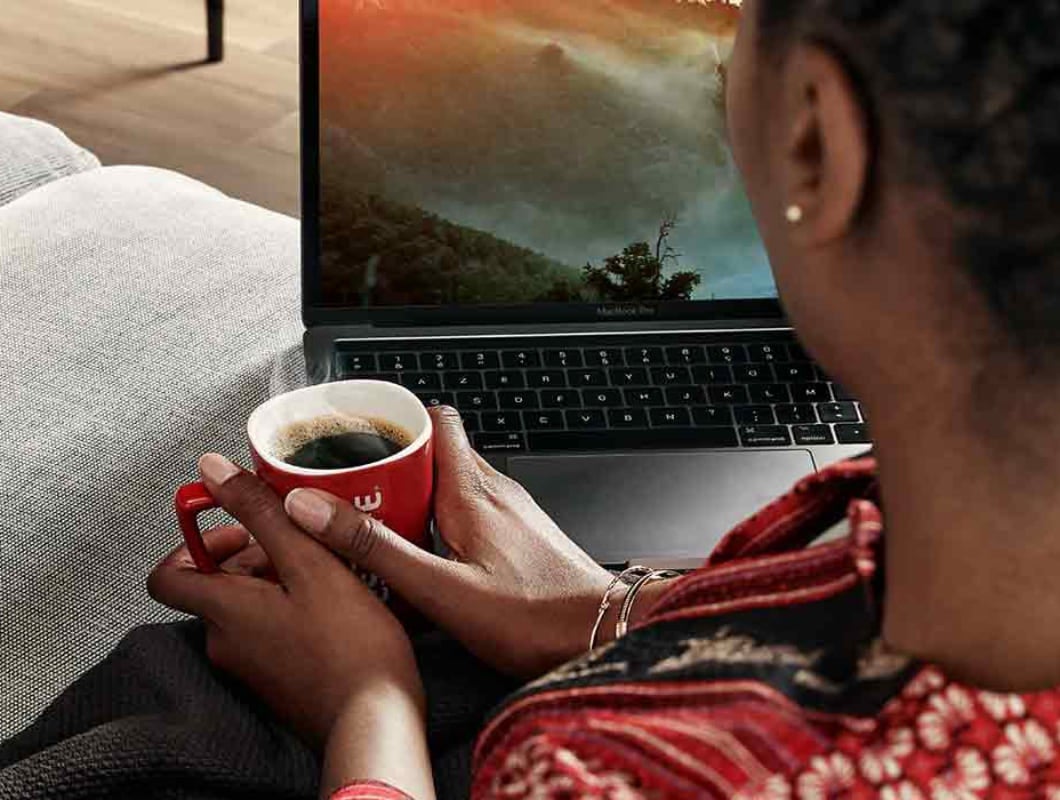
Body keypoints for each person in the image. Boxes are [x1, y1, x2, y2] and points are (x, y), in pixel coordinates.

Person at [147, 0, 1060, 797]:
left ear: (816, 139)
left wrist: (366, 700)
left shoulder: (590, 765)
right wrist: (611, 611)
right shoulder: (874, 523)